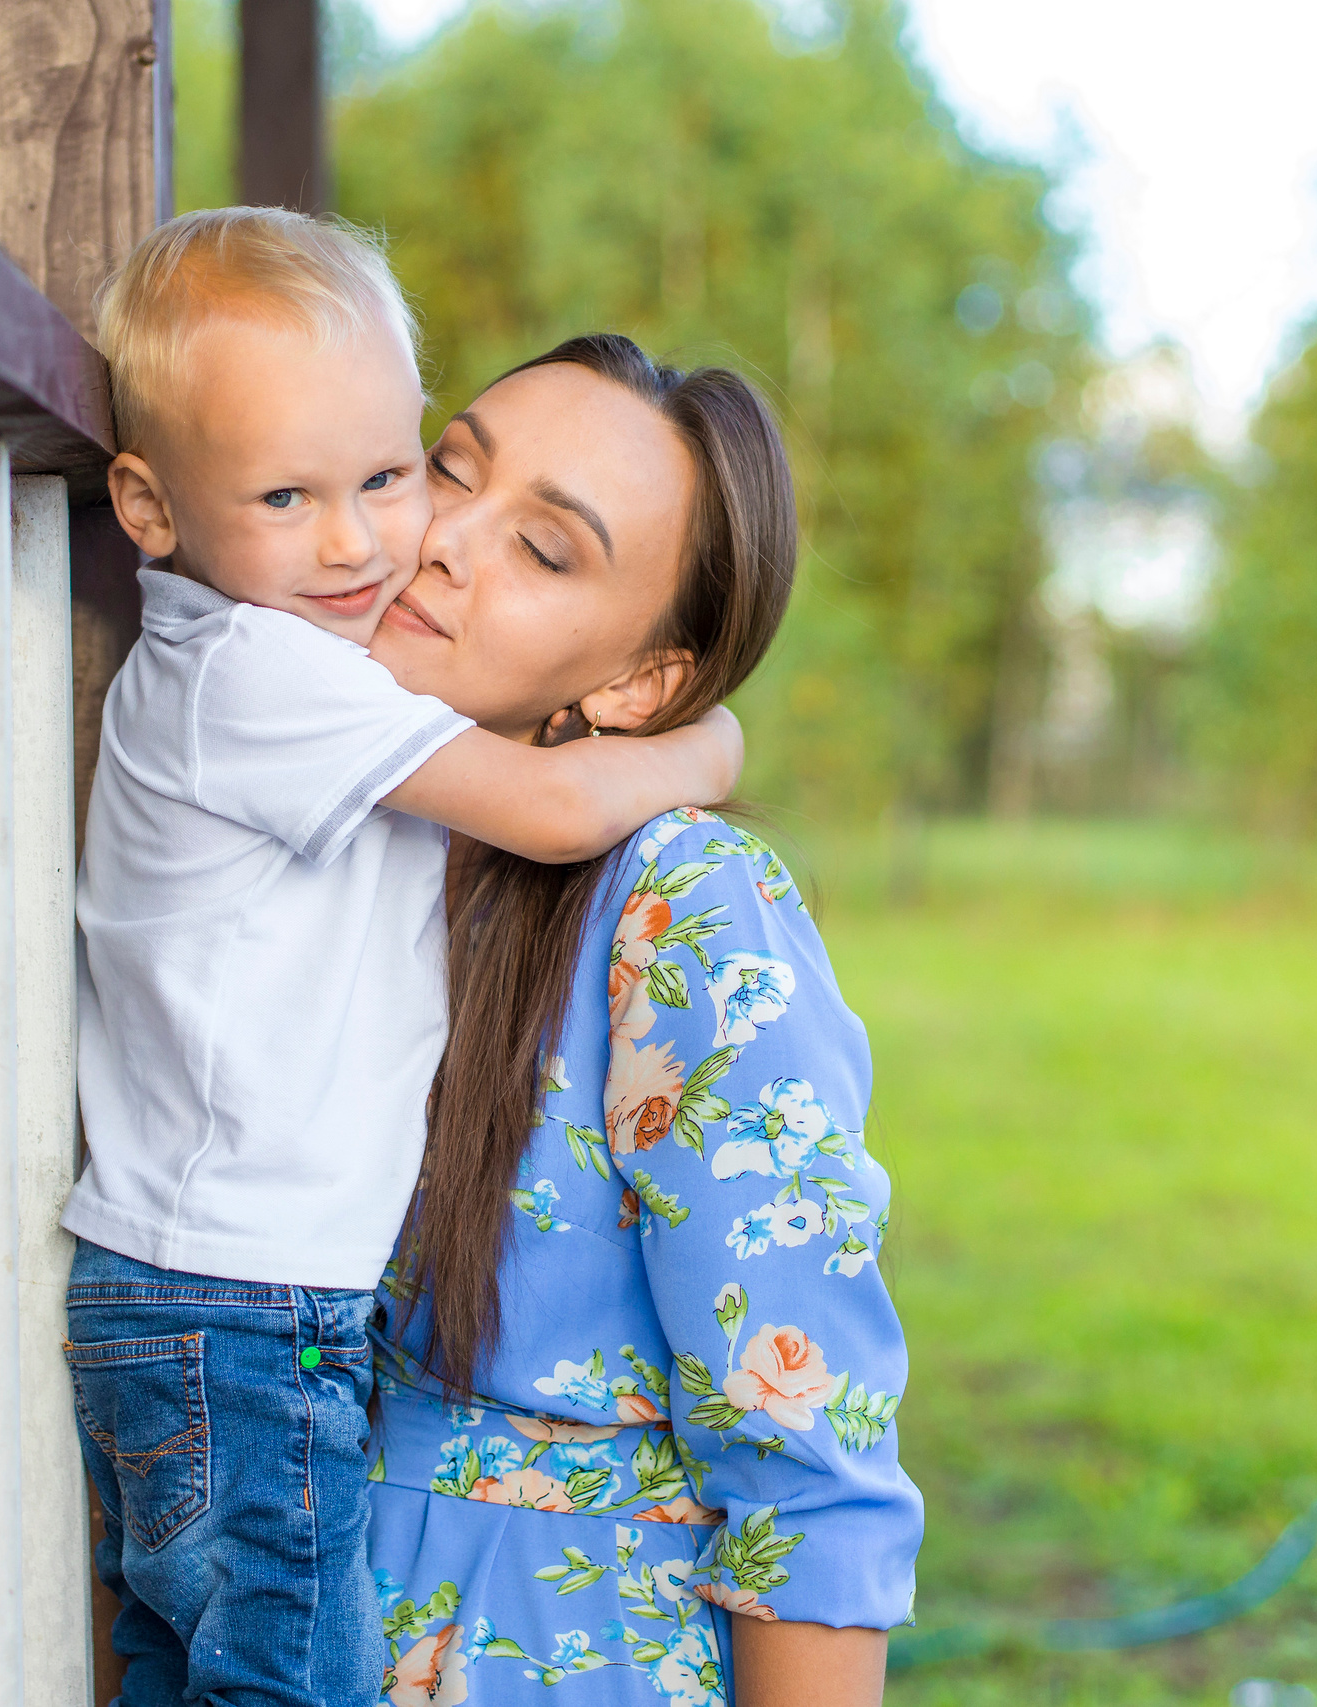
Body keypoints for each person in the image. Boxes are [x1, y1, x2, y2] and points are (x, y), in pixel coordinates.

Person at [58, 211, 747, 1707]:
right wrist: (711, 746)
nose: (366, 542)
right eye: (288, 494)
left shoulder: (247, 660)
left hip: (196, 1298)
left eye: (386, 474)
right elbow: (554, 807)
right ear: (150, 506)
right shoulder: (263, 672)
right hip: (246, 1306)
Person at [363, 335, 923, 1707]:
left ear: (634, 687)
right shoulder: (306, 832)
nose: (446, 542)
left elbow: (809, 1471)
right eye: (450, 470)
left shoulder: (681, 908)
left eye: (544, 549)